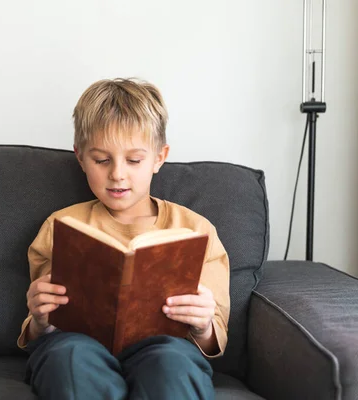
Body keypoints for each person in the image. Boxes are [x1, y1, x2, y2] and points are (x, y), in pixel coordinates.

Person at [17, 78, 230, 399]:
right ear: (80, 157)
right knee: (69, 359)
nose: (117, 173)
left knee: (172, 366)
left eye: (134, 160)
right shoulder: (62, 225)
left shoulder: (196, 229)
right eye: (102, 160)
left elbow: (214, 340)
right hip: (76, 345)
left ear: (159, 157)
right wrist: (40, 320)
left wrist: (202, 325)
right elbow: (38, 330)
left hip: (165, 348)